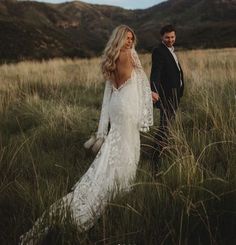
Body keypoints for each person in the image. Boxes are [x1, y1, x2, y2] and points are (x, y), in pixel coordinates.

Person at [20, 25, 153, 244]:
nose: (130, 42)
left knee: (115, 145)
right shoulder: (129, 55)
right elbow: (136, 78)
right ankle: (119, 189)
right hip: (127, 106)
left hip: (116, 104)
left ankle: (114, 182)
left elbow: (118, 83)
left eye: (132, 39)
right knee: (129, 148)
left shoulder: (112, 57)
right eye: (127, 38)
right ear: (120, 38)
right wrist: (145, 82)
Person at [150, 24, 184, 165]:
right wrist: (154, 90)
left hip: (175, 93)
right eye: (167, 37)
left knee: (168, 124)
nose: (170, 39)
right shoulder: (158, 51)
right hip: (166, 95)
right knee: (165, 125)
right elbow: (156, 72)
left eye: (172, 37)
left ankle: (162, 148)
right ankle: (156, 156)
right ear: (161, 37)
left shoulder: (171, 50)